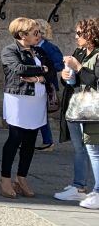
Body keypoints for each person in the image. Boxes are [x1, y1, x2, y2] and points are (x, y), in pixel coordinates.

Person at [0, 17, 56, 200]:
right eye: (35, 32)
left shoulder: (39, 51)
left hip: (37, 100)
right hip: (18, 98)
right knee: (15, 138)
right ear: (22, 34)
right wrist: (43, 71)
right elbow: (18, 69)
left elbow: (53, 70)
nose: (39, 35)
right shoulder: (9, 50)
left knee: (30, 140)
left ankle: (21, 177)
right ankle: (5, 178)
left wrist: (40, 76)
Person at [56, 18, 99, 207]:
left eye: (80, 33)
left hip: (93, 109)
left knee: (94, 150)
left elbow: (94, 81)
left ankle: (97, 191)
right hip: (77, 107)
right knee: (79, 148)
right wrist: (65, 76)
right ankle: (79, 187)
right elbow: (74, 80)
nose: (76, 37)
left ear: (92, 35)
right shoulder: (80, 52)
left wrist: (78, 67)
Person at [35, 19, 65, 151]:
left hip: (46, 85)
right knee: (38, 113)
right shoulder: (33, 46)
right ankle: (46, 141)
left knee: (39, 113)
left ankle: (47, 141)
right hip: (38, 84)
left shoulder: (48, 47)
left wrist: (48, 67)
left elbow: (59, 64)